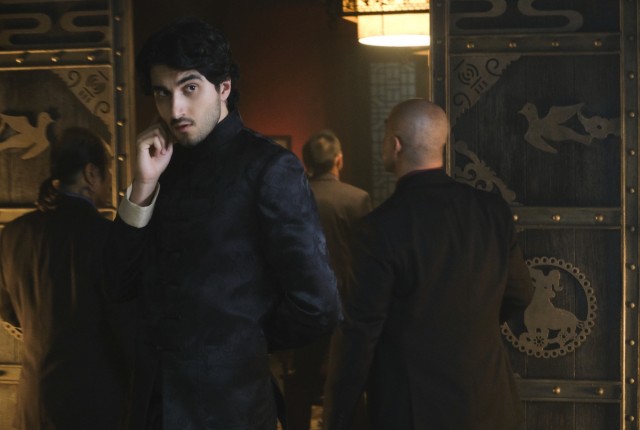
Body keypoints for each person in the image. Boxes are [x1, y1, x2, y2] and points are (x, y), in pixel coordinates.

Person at [106, 17, 341, 430]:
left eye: (189, 88)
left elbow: (319, 304)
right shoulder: (159, 166)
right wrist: (142, 186)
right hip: (153, 408)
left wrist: (241, 341)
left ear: (224, 87)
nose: (175, 109)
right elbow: (115, 283)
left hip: (231, 407)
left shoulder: (270, 168)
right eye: (162, 93)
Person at [323, 99, 534, 430]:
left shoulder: (379, 229)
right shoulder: (492, 211)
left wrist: (338, 416)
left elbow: (359, 335)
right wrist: (470, 326)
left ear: (395, 145)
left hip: (413, 408)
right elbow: (521, 293)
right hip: (490, 403)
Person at [0, 127, 130, 430]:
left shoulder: (13, 234)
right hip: (94, 408)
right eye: (108, 172)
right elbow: (126, 327)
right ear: (91, 173)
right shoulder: (109, 238)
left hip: (34, 405)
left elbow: (7, 310)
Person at [281, 131, 371, 430]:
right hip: (347, 302)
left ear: (306, 163)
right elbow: (365, 257)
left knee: (302, 382)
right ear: (339, 160)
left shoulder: (293, 198)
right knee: (347, 378)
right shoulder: (357, 199)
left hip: (303, 304)